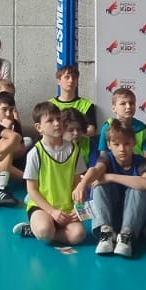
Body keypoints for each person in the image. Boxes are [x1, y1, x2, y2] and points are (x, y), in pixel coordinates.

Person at [12, 104, 88, 246]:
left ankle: (46, 231)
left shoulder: (74, 150)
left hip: (66, 208)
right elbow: (32, 190)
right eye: (50, 120)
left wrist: (78, 209)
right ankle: (37, 229)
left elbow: (78, 185)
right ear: (39, 127)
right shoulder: (35, 153)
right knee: (44, 231)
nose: (57, 123)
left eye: (58, 119)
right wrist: (52, 212)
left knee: (79, 235)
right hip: (42, 207)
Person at [77, 124, 146, 257]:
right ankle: (106, 233)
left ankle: (126, 236)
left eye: (127, 144)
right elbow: (95, 170)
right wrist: (82, 184)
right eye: (116, 144)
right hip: (111, 216)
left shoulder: (141, 162)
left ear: (134, 143)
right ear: (109, 145)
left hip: (135, 219)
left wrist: (110, 177)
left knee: (138, 188)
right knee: (98, 185)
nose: (122, 149)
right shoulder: (106, 159)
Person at [48, 65, 100, 164]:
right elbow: (47, 129)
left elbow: (91, 130)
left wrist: (70, 133)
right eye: (67, 77)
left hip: (82, 145)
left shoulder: (87, 104)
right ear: (58, 81)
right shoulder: (50, 105)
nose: (71, 80)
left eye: (74, 78)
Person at [94, 86, 146, 164]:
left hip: (138, 167)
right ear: (114, 108)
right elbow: (103, 154)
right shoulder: (107, 127)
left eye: (131, 103)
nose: (128, 107)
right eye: (123, 104)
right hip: (114, 167)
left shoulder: (142, 128)